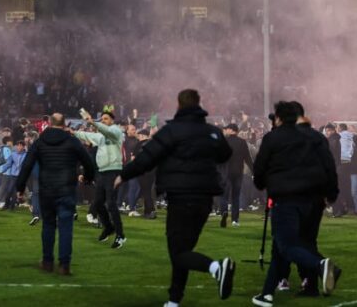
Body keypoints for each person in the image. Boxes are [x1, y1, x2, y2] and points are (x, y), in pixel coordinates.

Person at [116, 88, 236, 306]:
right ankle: (174, 300)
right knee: (184, 250)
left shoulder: (171, 131)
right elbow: (225, 154)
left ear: (178, 105)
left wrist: (124, 175)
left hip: (181, 197)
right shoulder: (212, 131)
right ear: (199, 104)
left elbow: (147, 158)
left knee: (178, 252)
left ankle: (216, 268)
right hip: (205, 198)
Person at [251, 101, 341, 307]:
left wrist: (262, 184)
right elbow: (329, 165)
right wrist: (332, 193)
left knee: (286, 245)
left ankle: (321, 265)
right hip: (315, 200)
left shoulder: (273, 138)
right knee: (299, 243)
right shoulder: (316, 137)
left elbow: (260, 168)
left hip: (287, 199)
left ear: (279, 118)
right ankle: (268, 294)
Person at [14, 112, 98, 275]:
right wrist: (88, 178)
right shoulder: (72, 141)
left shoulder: (40, 142)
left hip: (47, 189)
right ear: (64, 123)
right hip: (66, 188)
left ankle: (47, 261)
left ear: (50, 123)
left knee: (48, 225)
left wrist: (20, 187)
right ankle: (64, 264)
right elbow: (88, 162)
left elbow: (27, 165)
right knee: (66, 227)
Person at [76, 107, 127, 248]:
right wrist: (71, 132)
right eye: (102, 119)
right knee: (98, 203)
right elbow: (86, 135)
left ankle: (120, 235)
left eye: (106, 119)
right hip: (103, 173)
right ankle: (109, 227)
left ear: (112, 121)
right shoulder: (101, 137)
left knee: (111, 204)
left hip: (114, 171)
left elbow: (107, 131)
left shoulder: (116, 131)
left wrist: (93, 122)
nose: (103, 121)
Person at [219, 122, 253, 227]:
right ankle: (235, 220)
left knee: (224, 195)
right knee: (235, 196)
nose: (226, 130)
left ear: (232, 130)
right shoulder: (242, 142)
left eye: (227, 129)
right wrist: (254, 170)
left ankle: (224, 211)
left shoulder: (224, 142)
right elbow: (248, 158)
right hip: (238, 172)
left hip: (226, 172)